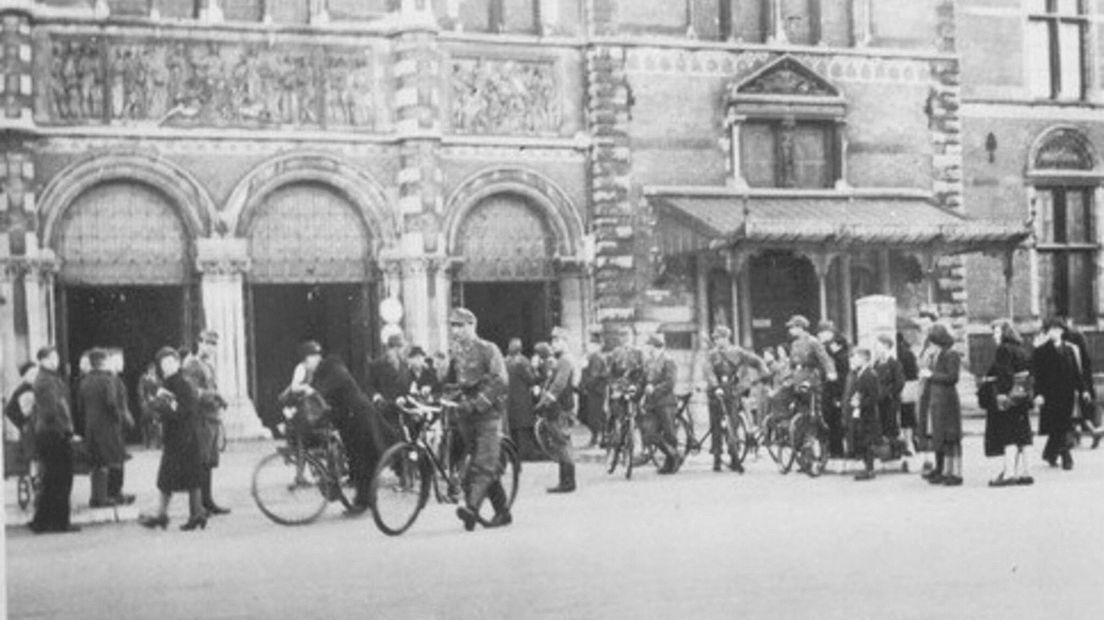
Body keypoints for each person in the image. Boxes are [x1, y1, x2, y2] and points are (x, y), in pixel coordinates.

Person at [446, 307, 512, 530]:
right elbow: (455, 383)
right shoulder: (457, 353)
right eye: (453, 326)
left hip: (488, 416)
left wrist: (479, 403)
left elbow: (500, 380)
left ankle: (471, 509)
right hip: (466, 417)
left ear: (472, 325)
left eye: (460, 326)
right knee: (480, 463)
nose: (456, 330)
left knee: (483, 464)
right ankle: (502, 511)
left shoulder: (488, 349)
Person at [139, 347, 207, 531]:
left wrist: (164, 408)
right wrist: (157, 407)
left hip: (184, 436)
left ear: (177, 363)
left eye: (170, 362)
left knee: (179, 477)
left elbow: (186, 410)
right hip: (177, 435)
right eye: (163, 363)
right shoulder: (168, 383)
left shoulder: (182, 383)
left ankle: (187, 514)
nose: (166, 366)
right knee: (171, 477)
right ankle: (190, 514)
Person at [309, 342, 383, 510]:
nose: (307, 366)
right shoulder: (321, 372)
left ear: (315, 358)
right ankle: (361, 499)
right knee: (354, 457)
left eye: (307, 361)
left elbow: (326, 388)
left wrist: (312, 392)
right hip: (347, 419)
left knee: (362, 458)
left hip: (359, 416)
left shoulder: (333, 367)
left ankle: (366, 500)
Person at [29, 347, 79, 534]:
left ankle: (42, 522)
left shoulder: (46, 379)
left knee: (51, 479)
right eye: (52, 358)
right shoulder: (47, 381)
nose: (56, 361)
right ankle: (59, 522)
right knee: (62, 478)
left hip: (48, 433)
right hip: (54, 434)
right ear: (43, 360)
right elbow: (54, 410)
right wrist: (67, 431)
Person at [705, 325, 767, 473]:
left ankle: (734, 457)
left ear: (727, 338)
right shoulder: (711, 354)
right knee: (716, 426)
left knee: (733, 424)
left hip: (731, 392)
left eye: (719, 338)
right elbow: (708, 371)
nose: (717, 341)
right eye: (715, 338)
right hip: (715, 393)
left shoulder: (737, 352)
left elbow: (755, 360)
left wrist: (764, 370)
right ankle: (717, 458)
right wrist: (715, 386)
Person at [980, 320, 1034, 486]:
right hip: (1022, 395)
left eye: (996, 332)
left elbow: (1005, 374)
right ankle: (1026, 472)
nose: (994, 336)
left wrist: (1002, 395)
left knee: (1008, 435)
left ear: (1003, 333)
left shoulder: (1003, 349)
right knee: (1024, 435)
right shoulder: (1020, 349)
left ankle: (1009, 473)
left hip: (1010, 396)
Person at [182, 330, 229, 516]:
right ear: (199, 343)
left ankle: (207, 501)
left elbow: (210, 388)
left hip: (211, 417)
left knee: (209, 461)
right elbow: (193, 392)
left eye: (214, 344)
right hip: (199, 418)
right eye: (208, 343)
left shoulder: (208, 365)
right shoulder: (192, 364)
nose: (211, 347)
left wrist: (217, 400)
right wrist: (214, 396)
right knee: (200, 461)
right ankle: (199, 505)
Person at [78, 349, 128, 508]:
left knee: (97, 462)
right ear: (103, 362)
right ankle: (106, 496)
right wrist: (118, 418)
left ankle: (96, 496)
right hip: (107, 427)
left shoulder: (84, 381)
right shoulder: (107, 380)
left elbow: (79, 406)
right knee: (110, 460)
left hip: (90, 427)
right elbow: (111, 402)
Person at [1032, 318, 1083, 471]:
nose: (1053, 332)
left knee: (1060, 425)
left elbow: (1076, 372)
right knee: (1060, 425)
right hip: (1050, 395)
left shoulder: (1069, 350)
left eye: (1056, 329)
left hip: (1066, 394)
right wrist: (1038, 394)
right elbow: (1037, 375)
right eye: (1050, 329)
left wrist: (1083, 390)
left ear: (1062, 331)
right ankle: (1066, 457)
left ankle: (1050, 453)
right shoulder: (1041, 351)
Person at [922, 324, 963, 486]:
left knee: (951, 437)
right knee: (943, 437)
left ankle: (955, 473)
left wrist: (931, 375)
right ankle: (945, 470)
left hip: (948, 401)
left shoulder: (951, 355)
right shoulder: (938, 354)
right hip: (939, 400)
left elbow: (953, 377)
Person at [538, 327, 577, 493]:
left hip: (560, 408)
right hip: (562, 406)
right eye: (552, 341)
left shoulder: (565, 360)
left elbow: (559, 384)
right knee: (563, 443)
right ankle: (566, 480)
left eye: (557, 341)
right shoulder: (562, 360)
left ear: (565, 342)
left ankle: (567, 482)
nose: (553, 344)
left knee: (562, 443)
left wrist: (545, 402)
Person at [1060, 317, 1104, 448]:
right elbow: (1087, 363)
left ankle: (1091, 433)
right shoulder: (1080, 340)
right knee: (1082, 410)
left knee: (1076, 411)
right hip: (1084, 380)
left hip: (1074, 381)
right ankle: (1080, 436)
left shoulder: (1068, 344)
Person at [642, 333, 681, 474]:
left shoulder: (668, 360)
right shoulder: (649, 362)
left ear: (655, 346)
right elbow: (644, 381)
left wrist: (654, 389)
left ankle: (670, 463)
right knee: (649, 433)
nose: (648, 348)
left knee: (670, 435)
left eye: (650, 345)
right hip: (651, 404)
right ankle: (675, 455)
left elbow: (670, 383)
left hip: (666, 403)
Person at [845, 347, 881, 481]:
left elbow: (873, 396)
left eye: (856, 357)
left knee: (867, 441)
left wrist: (859, 404)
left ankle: (870, 469)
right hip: (861, 412)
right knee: (862, 440)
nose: (854, 360)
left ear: (864, 358)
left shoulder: (870, 374)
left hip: (868, 413)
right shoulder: (862, 373)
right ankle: (867, 467)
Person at [816, 320, 850, 458]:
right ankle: (830, 449)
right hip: (827, 386)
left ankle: (837, 450)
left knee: (836, 419)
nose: (820, 336)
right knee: (827, 418)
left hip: (837, 386)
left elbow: (841, 365)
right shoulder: (826, 345)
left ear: (829, 332)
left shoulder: (837, 344)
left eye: (822, 333)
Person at [914, 310, 942, 478]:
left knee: (932, 426)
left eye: (927, 325)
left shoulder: (936, 346)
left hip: (933, 388)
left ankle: (935, 462)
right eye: (922, 325)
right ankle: (928, 460)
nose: (924, 328)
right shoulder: (923, 344)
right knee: (924, 425)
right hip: (923, 388)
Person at [504, 338, 539, 460]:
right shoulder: (523, 362)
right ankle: (525, 454)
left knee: (513, 428)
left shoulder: (505, 361)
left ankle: (514, 454)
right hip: (522, 399)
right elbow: (531, 379)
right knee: (524, 428)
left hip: (509, 400)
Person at [873, 334, 905, 447]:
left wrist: (889, 393)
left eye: (878, 345)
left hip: (890, 401)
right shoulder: (876, 363)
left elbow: (900, 382)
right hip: (878, 401)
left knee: (890, 426)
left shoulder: (894, 363)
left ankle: (892, 450)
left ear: (886, 346)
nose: (876, 348)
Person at [579, 333, 609, 448]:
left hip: (595, 391)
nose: (589, 346)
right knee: (594, 415)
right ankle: (601, 438)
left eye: (592, 344)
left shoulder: (596, 357)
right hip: (593, 390)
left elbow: (593, 375)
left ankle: (597, 439)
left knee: (594, 417)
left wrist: (585, 386)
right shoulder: (591, 357)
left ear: (597, 346)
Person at [896, 331, 919, 456]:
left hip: (903, 385)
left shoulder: (897, 353)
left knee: (899, 415)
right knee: (908, 415)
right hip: (911, 385)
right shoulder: (908, 352)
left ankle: (904, 443)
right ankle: (910, 442)